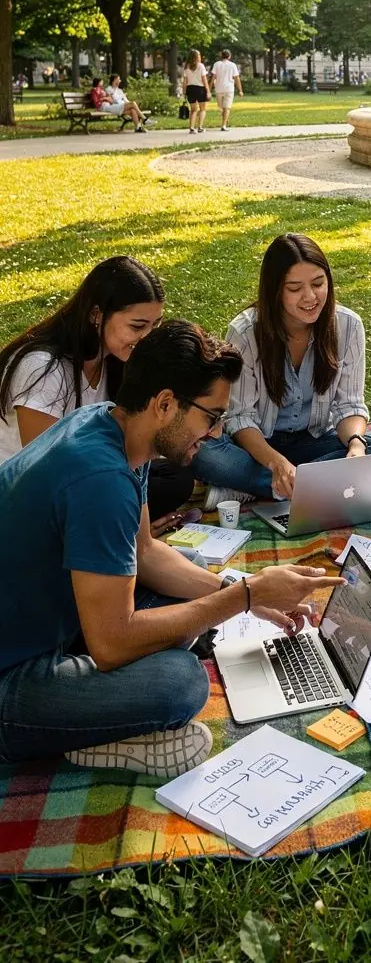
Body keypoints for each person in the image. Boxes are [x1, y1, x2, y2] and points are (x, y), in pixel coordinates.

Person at [0, 320, 343, 776]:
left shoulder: (113, 427)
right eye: (212, 417)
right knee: (180, 683)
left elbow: (143, 551)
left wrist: (237, 592)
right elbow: (111, 644)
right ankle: (76, 736)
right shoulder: (100, 480)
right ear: (165, 404)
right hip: (12, 674)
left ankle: (97, 722)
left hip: (49, 621)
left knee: (190, 591)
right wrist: (242, 597)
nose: (218, 434)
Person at [195, 232, 371, 510]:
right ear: (274, 290)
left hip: (313, 441)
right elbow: (240, 417)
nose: (310, 297)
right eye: (294, 288)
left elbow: (349, 406)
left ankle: (261, 488)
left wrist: (356, 446)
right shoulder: (245, 332)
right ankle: (315, 484)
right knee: (205, 454)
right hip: (256, 447)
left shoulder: (348, 325)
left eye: (318, 283)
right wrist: (277, 463)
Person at [0, 256, 164, 467]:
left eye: (155, 325)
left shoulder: (115, 360)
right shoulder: (42, 367)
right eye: (137, 326)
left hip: (84, 468)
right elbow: (44, 467)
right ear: (96, 314)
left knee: (173, 475)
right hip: (26, 488)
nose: (148, 338)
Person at [209, 48, 243, 131]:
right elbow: (236, 78)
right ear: (230, 56)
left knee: (221, 108)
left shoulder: (217, 64)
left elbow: (213, 77)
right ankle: (224, 124)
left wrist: (209, 89)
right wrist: (240, 90)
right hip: (229, 88)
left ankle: (224, 123)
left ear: (221, 56)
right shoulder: (233, 65)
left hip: (219, 88)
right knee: (226, 108)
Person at [182, 48, 210, 134]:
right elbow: (204, 79)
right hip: (200, 89)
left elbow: (185, 81)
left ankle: (191, 128)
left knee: (193, 110)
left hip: (190, 89)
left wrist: (184, 91)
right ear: (197, 56)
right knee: (202, 109)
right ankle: (200, 127)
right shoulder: (200, 66)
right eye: (199, 55)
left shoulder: (186, 66)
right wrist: (208, 90)